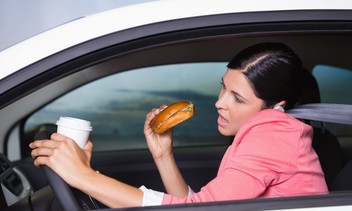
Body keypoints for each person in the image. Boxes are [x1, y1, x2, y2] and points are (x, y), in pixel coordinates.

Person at [30, 42, 328, 208]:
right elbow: (201, 205)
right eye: (223, 87)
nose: (220, 102)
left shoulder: (274, 134)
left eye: (237, 98)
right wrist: (163, 155)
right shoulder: (266, 133)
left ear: (276, 107)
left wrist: (84, 177)